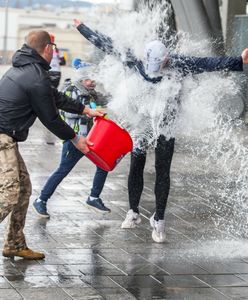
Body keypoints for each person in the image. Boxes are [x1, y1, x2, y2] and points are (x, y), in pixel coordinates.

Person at [74, 18, 248, 243]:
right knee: (137, 163)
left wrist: (238, 60)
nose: (160, 68)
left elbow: (207, 62)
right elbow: (107, 44)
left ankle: (160, 220)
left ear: (166, 59)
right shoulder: (134, 60)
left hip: (167, 122)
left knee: (162, 170)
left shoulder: (178, 63)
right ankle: (133, 212)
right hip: (143, 121)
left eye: (163, 64)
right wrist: (82, 28)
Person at [0, 30, 103, 259]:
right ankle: (14, 243)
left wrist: (84, 109)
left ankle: (15, 244)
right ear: (48, 49)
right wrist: (76, 139)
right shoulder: (34, 75)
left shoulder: (27, 69)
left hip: (7, 137)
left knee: (24, 189)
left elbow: (53, 97)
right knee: (10, 193)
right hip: (2, 138)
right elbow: (50, 118)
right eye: (53, 49)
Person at [33, 66, 111, 218]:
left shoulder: (91, 93)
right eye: (89, 79)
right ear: (81, 79)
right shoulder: (71, 90)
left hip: (91, 138)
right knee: (63, 170)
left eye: (94, 79)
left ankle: (94, 197)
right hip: (75, 139)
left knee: (104, 164)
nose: (93, 82)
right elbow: (64, 111)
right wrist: (86, 113)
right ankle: (41, 199)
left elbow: (105, 99)